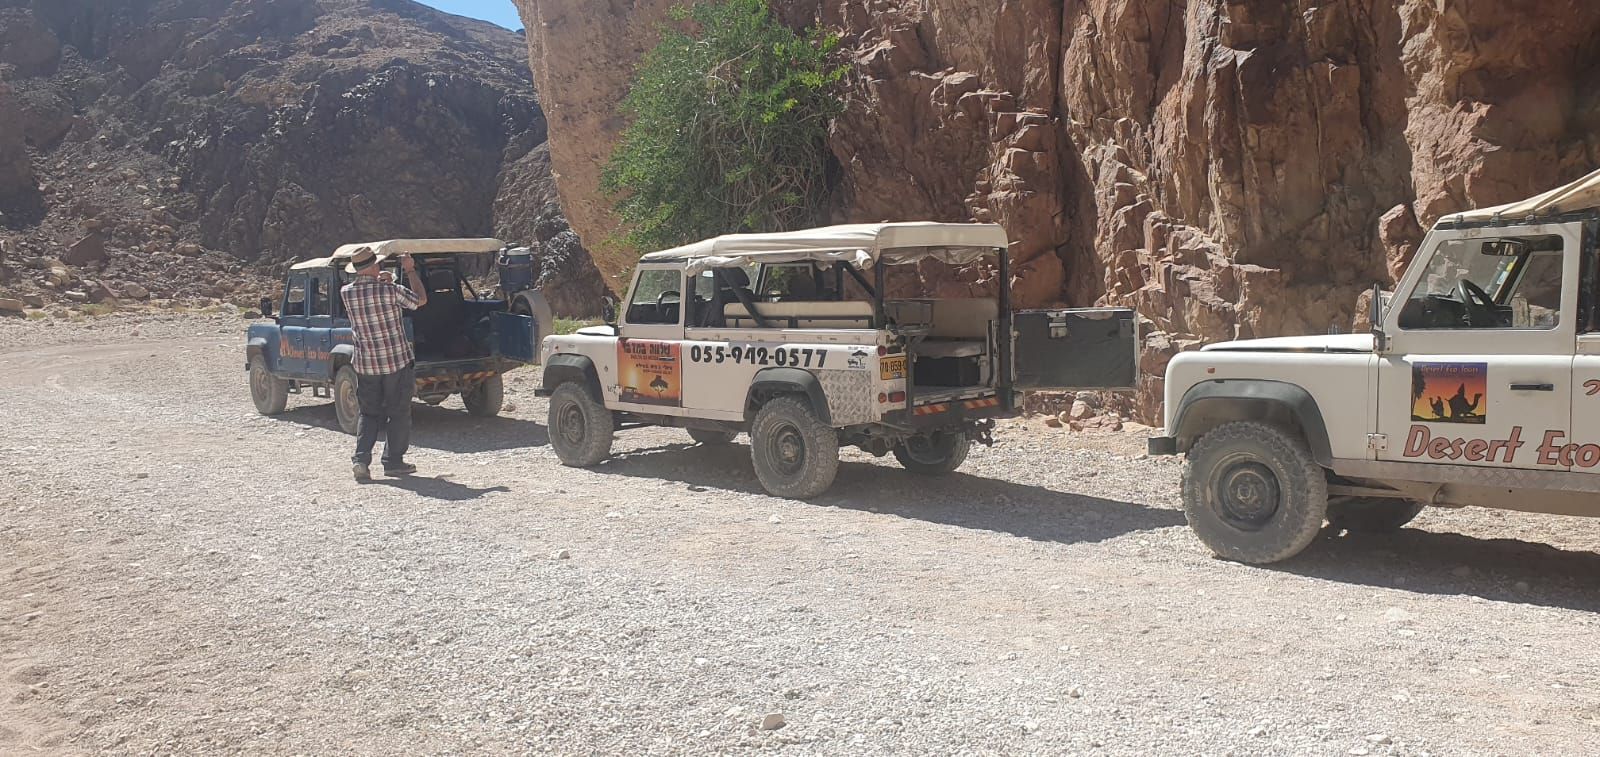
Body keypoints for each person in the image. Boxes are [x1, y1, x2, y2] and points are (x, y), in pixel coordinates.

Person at [340, 246, 428, 481]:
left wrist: (387, 281)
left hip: (366, 363)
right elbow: (420, 299)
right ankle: (393, 462)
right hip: (395, 361)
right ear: (373, 266)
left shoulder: (346, 292)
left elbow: (371, 293)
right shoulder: (390, 290)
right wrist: (410, 271)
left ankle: (361, 461)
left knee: (368, 413)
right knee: (398, 412)